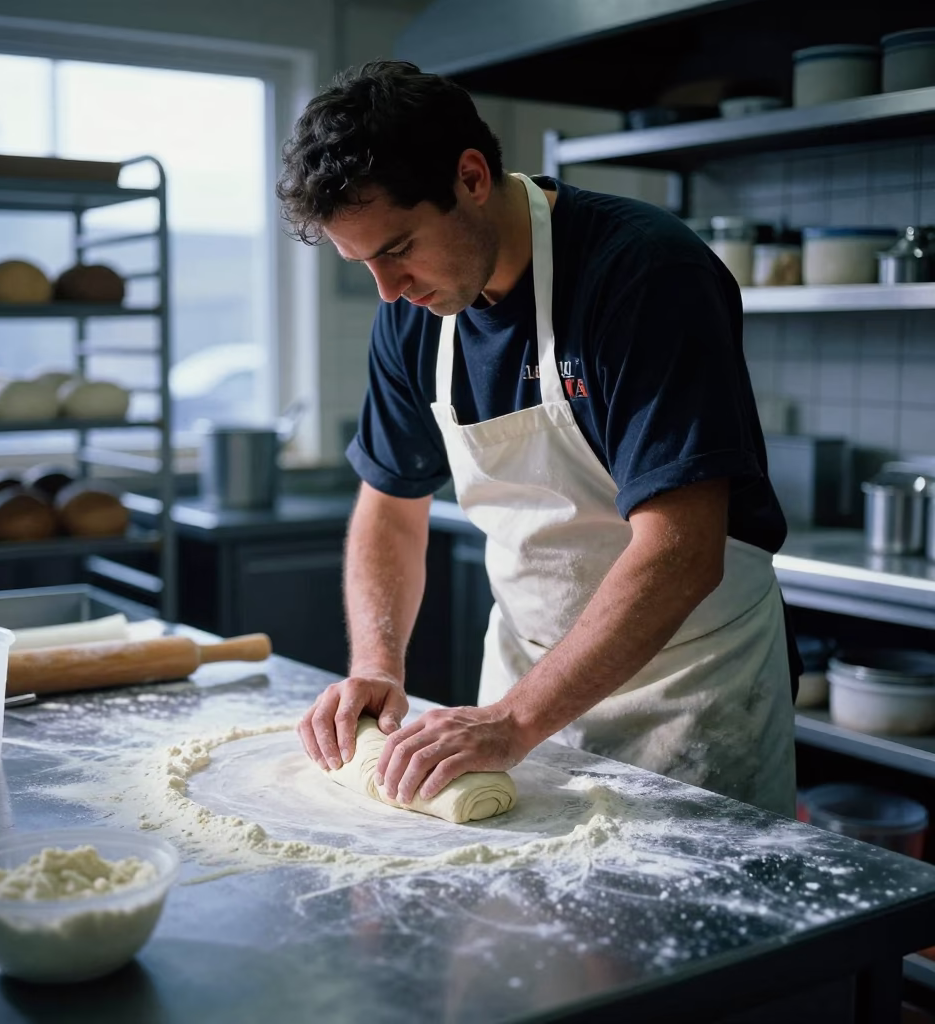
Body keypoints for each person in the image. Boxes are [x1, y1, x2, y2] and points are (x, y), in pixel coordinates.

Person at [276, 60, 798, 817]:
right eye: (364, 266)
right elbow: (390, 506)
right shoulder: (414, 313)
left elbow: (680, 550)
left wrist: (514, 721)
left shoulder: (643, 275)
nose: (389, 292)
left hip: (688, 690)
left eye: (396, 248)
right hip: (522, 690)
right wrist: (378, 665)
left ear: (472, 177)